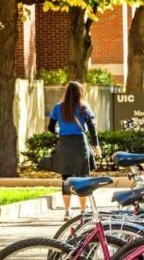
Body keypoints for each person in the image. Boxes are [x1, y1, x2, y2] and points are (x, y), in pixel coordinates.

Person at [48, 80, 101, 221]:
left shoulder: (57, 108)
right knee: (82, 178)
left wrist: (60, 131)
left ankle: (67, 211)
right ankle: (83, 211)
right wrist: (96, 146)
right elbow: (92, 128)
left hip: (64, 145)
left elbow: (51, 128)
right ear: (80, 93)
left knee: (66, 179)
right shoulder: (84, 107)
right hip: (80, 145)